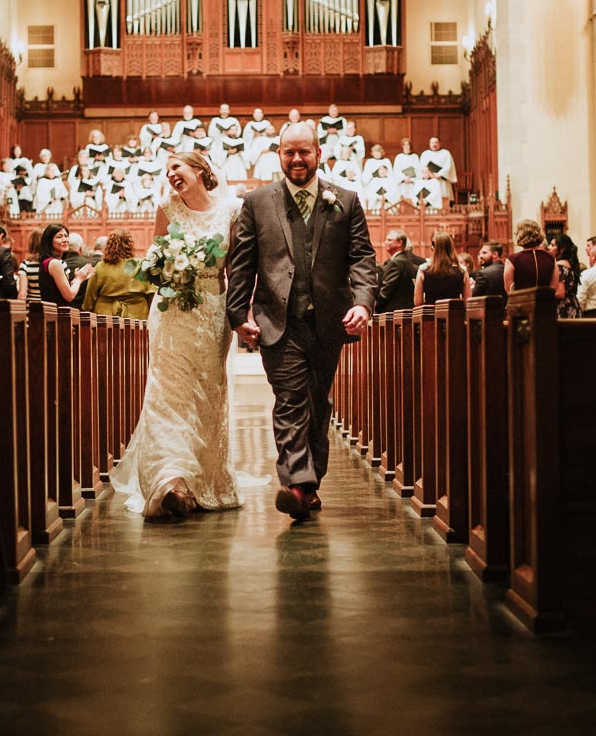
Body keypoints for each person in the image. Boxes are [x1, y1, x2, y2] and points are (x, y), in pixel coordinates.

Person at [227, 122, 379, 522]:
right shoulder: (257, 202)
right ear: (278, 154)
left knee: (317, 403)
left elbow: (362, 258)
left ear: (318, 153)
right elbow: (241, 266)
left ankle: (309, 486)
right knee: (291, 401)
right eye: (288, 152)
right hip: (278, 321)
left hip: (330, 321)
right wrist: (237, 314)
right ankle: (296, 483)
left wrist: (363, 303)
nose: (296, 159)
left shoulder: (345, 200)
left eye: (304, 152)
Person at [113, 153, 244, 519]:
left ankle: (202, 478)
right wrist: (167, 266)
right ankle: (170, 480)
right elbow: (154, 259)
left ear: (200, 170)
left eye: (177, 167)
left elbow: (235, 268)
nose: (170, 175)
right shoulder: (166, 207)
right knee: (165, 391)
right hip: (170, 310)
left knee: (206, 391)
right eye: (167, 170)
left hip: (213, 312)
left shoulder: (232, 209)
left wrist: (240, 315)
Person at [81, 228, 156, 319]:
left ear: (108, 246)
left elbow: (90, 297)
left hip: (105, 317)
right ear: (130, 245)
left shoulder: (100, 267)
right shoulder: (140, 265)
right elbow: (151, 295)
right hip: (136, 316)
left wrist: (86, 310)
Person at [35, 223, 95, 306]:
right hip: (57, 314)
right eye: (59, 237)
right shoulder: (54, 263)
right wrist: (79, 279)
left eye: (66, 236)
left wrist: (77, 280)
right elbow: (69, 296)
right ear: (49, 240)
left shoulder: (52, 261)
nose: (65, 240)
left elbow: (56, 290)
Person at [503, 219, 563, 300]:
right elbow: (553, 288)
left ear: (519, 235)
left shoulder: (512, 260)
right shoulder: (550, 257)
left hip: (522, 307)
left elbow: (509, 290)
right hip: (545, 306)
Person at [414, 231, 470, 306]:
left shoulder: (423, 269)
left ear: (433, 248)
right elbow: (467, 301)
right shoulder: (462, 270)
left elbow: (418, 302)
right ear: (451, 247)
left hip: (431, 316)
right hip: (454, 315)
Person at [375, 228, 420, 312]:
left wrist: (375, 307)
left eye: (389, 240)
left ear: (399, 243)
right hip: (405, 310)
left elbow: (386, 291)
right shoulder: (405, 260)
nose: (385, 242)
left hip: (393, 312)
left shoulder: (396, 263)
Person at [548, 232, 583, 318]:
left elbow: (560, 293)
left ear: (562, 249)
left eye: (552, 245)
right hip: (572, 305)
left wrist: (544, 294)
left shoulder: (560, 265)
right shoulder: (569, 263)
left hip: (563, 308)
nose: (549, 247)